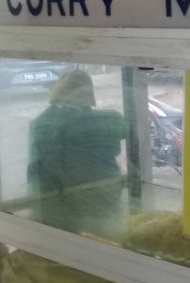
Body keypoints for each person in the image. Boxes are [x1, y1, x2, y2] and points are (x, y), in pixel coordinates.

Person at [28, 69, 127, 235]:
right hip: (101, 205)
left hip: (60, 211)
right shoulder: (110, 119)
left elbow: (35, 173)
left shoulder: (40, 123)